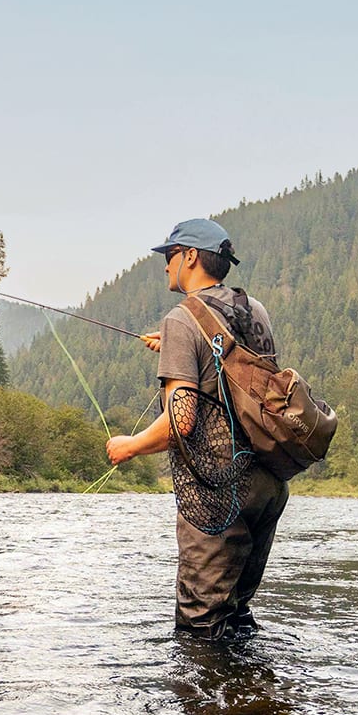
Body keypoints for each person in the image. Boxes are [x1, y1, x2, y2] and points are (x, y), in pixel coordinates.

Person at [105, 218, 288, 638]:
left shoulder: (182, 320)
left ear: (190, 257)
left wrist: (130, 446)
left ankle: (210, 705)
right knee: (237, 616)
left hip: (217, 493)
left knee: (202, 629)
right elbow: (238, 374)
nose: (165, 265)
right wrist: (174, 346)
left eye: (170, 256)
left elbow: (182, 420)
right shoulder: (254, 309)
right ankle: (253, 700)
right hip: (267, 484)